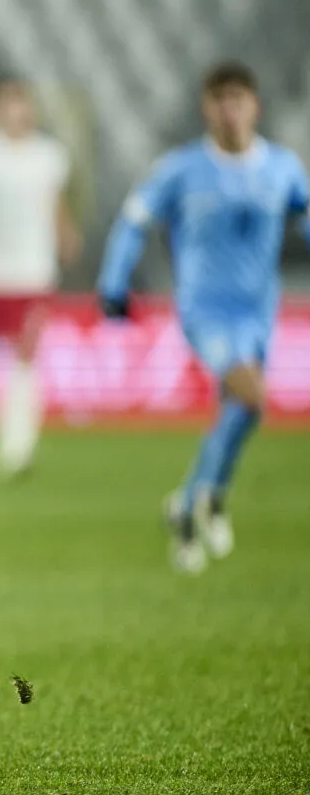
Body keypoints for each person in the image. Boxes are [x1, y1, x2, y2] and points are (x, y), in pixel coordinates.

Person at [97, 61, 309, 575]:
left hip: (258, 312)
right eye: (220, 99)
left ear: (255, 105)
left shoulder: (282, 168)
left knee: (245, 409)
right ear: (206, 107)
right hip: (204, 311)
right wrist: (113, 281)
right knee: (251, 395)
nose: (230, 109)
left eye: (239, 99)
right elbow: (133, 221)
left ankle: (196, 498)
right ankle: (199, 501)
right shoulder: (182, 169)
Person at [0, 80, 79, 476]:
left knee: (25, 357)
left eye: (21, 104)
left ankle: (16, 449)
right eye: (7, 104)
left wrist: (65, 234)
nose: (15, 112)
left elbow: (54, 202)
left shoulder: (49, 155)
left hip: (33, 273)